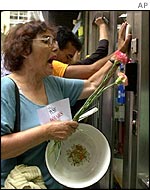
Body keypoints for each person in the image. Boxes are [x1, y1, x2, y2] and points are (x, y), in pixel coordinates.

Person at [1, 20, 131, 189]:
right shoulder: (7, 89)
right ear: (25, 49)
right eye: (46, 40)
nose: (54, 47)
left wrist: (119, 55)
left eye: (54, 41)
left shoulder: (53, 83)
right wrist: (46, 131)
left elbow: (93, 84)